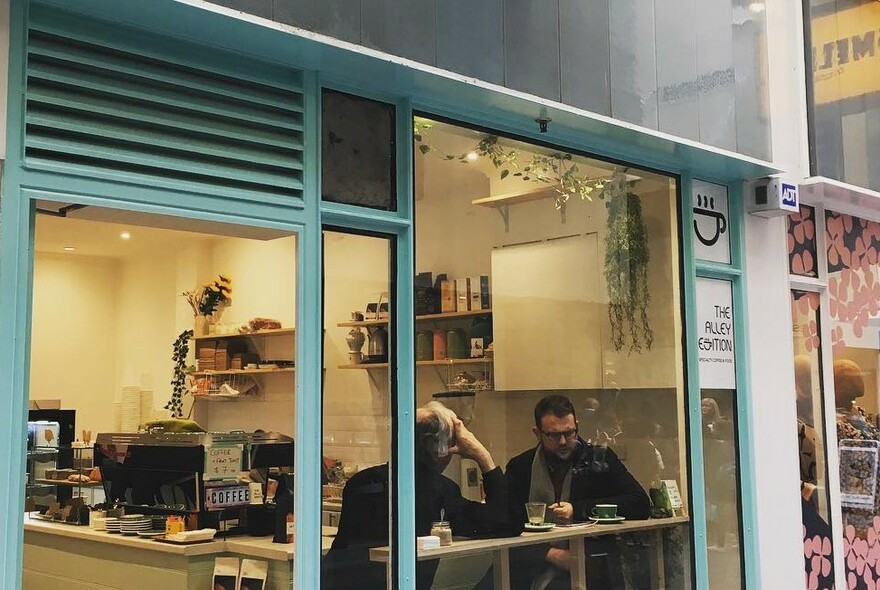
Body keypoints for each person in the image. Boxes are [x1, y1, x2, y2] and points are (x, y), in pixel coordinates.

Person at [322, 401, 508, 590]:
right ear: (441, 451)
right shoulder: (440, 490)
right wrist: (482, 455)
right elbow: (507, 521)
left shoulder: (360, 482)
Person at [503, 395, 651, 589]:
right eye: (554, 435)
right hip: (530, 565)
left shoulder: (599, 459)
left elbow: (640, 503)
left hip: (591, 566)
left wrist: (579, 510)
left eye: (570, 433)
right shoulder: (520, 467)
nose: (563, 441)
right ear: (537, 433)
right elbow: (503, 522)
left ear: (577, 427)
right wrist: (548, 553)